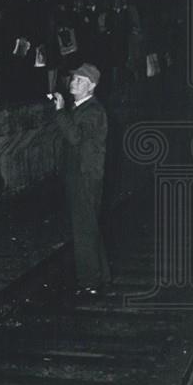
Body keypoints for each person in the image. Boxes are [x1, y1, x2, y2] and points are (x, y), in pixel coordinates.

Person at [52, 63, 111, 293]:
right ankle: (101, 275)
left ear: (92, 86)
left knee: (83, 230)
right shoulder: (80, 108)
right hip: (79, 175)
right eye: (73, 79)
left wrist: (59, 111)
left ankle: (89, 283)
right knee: (89, 226)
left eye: (79, 80)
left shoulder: (94, 111)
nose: (73, 83)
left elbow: (75, 137)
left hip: (86, 177)